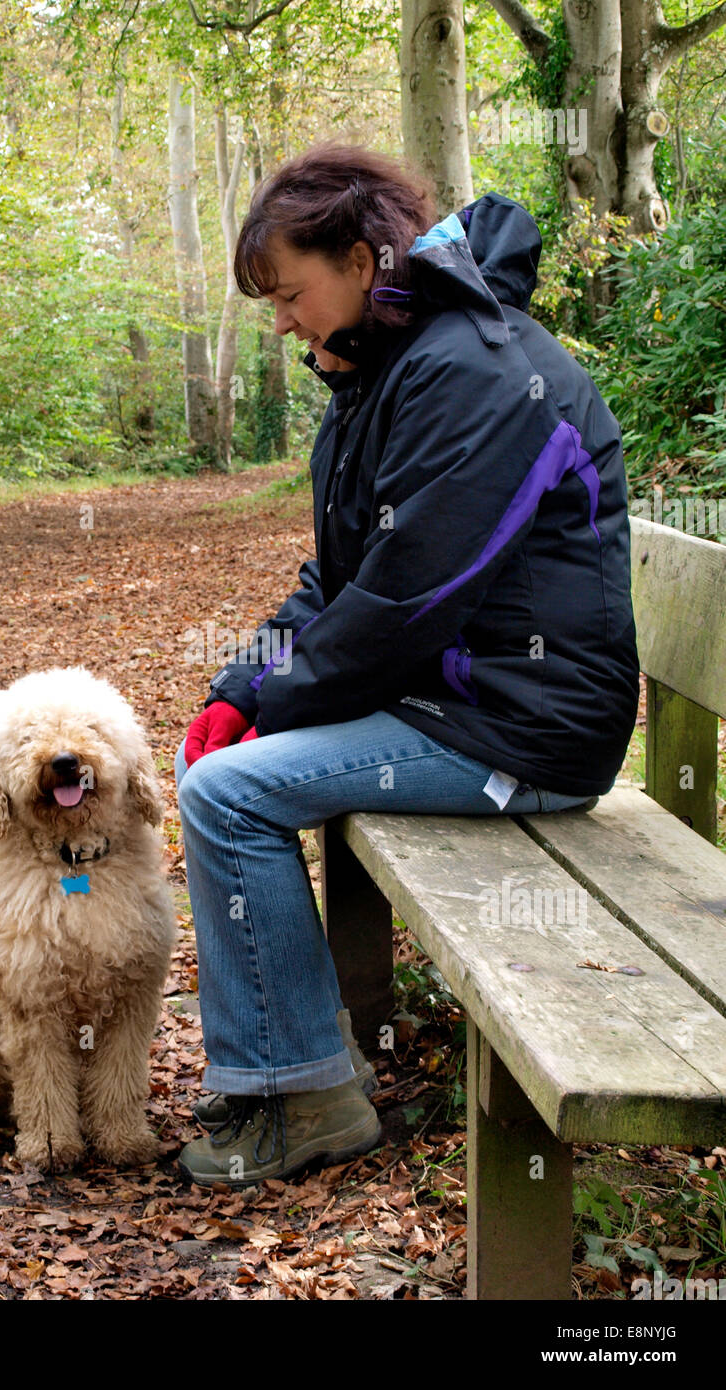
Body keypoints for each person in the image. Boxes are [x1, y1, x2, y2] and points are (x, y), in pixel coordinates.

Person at [173, 142, 639, 1188]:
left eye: (291, 293)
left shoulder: (477, 371)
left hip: (522, 730)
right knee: (212, 764)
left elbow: (405, 602)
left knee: (227, 795)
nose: (284, 320)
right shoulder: (392, 365)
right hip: (455, 705)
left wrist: (272, 709)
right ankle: (275, 1068)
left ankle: (305, 1096)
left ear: (361, 259)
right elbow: (339, 576)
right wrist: (240, 686)